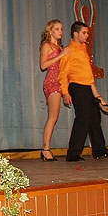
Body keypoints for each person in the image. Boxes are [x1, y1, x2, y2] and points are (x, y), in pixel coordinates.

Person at [59, 21, 108, 162]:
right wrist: (65, 92)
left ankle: (99, 150)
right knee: (83, 118)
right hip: (76, 87)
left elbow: (88, 74)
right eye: (84, 33)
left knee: (94, 117)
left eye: (87, 33)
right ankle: (73, 154)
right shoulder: (68, 51)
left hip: (87, 87)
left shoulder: (83, 48)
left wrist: (97, 94)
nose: (87, 35)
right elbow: (63, 73)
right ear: (75, 34)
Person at [39, 20, 71, 161]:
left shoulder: (60, 47)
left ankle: (46, 149)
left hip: (60, 82)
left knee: (54, 117)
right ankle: (45, 150)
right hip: (52, 81)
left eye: (61, 29)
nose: (60, 32)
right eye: (57, 29)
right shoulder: (47, 46)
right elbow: (43, 65)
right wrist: (60, 55)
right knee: (52, 117)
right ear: (50, 31)